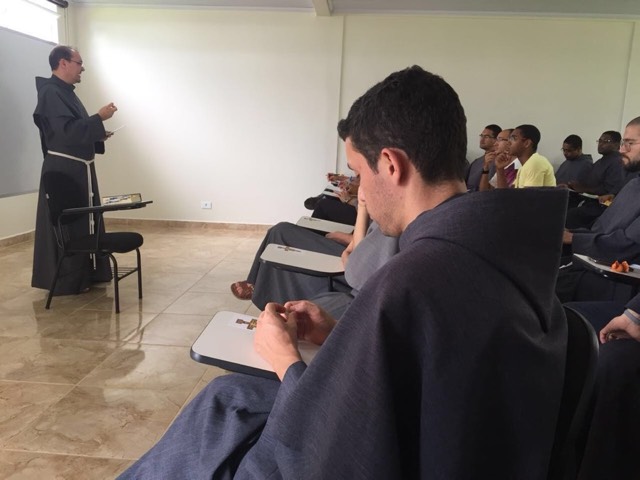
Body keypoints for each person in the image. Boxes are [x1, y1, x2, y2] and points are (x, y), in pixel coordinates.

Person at [118, 66, 568, 479]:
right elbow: (429, 375)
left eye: (359, 172)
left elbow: (338, 450)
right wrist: (340, 335)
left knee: (220, 407)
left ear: (390, 165)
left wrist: (284, 359)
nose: (361, 190)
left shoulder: (414, 278)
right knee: (228, 399)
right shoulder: (500, 250)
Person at [32, 45, 118, 295]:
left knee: (84, 220)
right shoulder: (50, 92)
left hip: (78, 167)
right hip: (65, 171)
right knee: (71, 223)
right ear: (63, 63)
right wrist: (98, 118)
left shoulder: (65, 92)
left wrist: (97, 132)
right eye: (79, 63)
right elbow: (65, 134)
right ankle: (70, 280)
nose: (83, 68)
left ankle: (90, 273)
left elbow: (74, 129)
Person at [556, 117, 640, 303]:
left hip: (616, 279)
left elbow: (626, 245)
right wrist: (570, 234)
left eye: (630, 143)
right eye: (623, 143)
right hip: (596, 261)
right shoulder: (633, 184)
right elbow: (602, 229)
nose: (622, 150)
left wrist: (573, 238)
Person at [565, 131, 624, 229]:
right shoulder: (600, 162)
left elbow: (608, 191)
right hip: (589, 200)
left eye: (606, 141)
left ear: (617, 145)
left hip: (602, 206)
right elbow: (588, 183)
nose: (601, 144)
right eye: (600, 141)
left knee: (570, 215)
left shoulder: (617, 162)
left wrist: (584, 188)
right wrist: (571, 186)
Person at [496, 124, 556, 188]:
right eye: (509, 138)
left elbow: (529, 194)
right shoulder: (523, 166)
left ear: (527, 143)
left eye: (513, 138)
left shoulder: (535, 162)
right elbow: (506, 193)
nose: (508, 143)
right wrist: (500, 169)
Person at [464, 124, 501, 191]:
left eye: (486, 137)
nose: (482, 139)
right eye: (481, 136)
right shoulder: (476, 162)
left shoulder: (499, 162)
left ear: (496, 140)